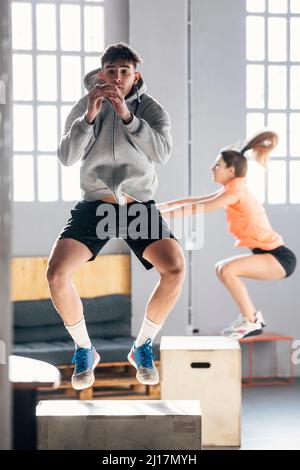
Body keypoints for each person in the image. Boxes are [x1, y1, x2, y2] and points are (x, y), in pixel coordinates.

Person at [47, 43, 186, 390]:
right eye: (112, 71)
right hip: (96, 204)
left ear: (135, 75)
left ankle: (142, 347)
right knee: (56, 274)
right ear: (101, 74)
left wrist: (127, 116)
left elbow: (163, 153)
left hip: (137, 205)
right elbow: (66, 156)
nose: (118, 77)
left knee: (175, 269)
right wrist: (90, 116)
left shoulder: (152, 109)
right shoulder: (84, 106)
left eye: (125, 71)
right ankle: (84, 348)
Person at [157, 130, 296, 339]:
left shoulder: (235, 192)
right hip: (270, 255)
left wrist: (156, 216)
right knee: (222, 268)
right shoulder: (232, 188)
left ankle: (251, 319)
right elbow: (194, 201)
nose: (212, 168)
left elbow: (197, 209)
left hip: (279, 258)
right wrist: (156, 209)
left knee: (228, 269)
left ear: (231, 170)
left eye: (217, 165)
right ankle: (250, 318)